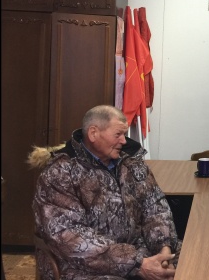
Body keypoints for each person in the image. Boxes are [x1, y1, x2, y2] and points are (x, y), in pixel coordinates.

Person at [30, 105, 182, 279]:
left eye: (124, 134)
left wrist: (164, 249)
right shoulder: (61, 173)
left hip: (137, 251)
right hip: (80, 265)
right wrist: (136, 263)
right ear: (93, 133)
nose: (124, 141)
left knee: (192, 260)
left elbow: (155, 207)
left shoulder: (131, 163)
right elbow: (70, 237)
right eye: (118, 134)